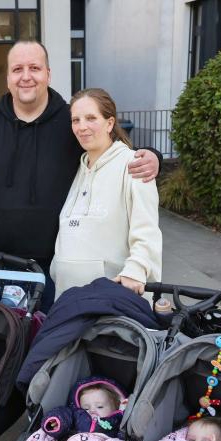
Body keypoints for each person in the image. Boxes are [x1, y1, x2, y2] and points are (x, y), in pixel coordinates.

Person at [0, 41, 161, 309]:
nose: (26, 76)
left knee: (43, 343)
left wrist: (151, 155)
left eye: (34, 68)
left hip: (50, 270)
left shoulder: (69, 121)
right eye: (17, 69)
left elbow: (105, 148)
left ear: (48, 74)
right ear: (8, 77)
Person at [51, 88, 162, 296]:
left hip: (112, 302)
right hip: (68, 300)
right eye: (76, 120)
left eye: (91, 118)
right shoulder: (78, 169)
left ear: (110, 123)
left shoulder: (134, 165)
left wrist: (136, 269)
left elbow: (147, 230)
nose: (82, 127)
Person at [42, 377, 127, 440]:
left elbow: (122, 439)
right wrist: (58, 421)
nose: (92, 410)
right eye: (86, 408)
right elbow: (64, 414)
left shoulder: (117, 422)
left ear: (116, 407)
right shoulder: (76, 416)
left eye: (100, 406)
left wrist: (124, 409)